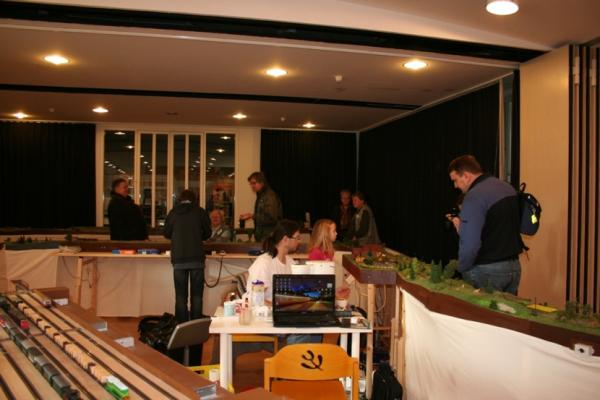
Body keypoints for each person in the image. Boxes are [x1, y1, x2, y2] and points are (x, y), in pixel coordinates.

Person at [447, 155, 522, 295]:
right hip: (513, 268)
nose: (455, 186)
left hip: (486, 271)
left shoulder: (474, 196)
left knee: (477, 310)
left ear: (466, 176)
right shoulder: (508, 188)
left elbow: (470, 244)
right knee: (505, 309)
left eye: (455, 180)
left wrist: (462, 267)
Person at [247, 220, 319, 345]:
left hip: (283, 315)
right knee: (302, 330)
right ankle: (291, 356)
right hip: (264, 318)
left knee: (317, 324)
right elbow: (256, 299)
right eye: (297, 238)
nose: (299, 241)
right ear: (285, 239)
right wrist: (283, 308)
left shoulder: (290, 262)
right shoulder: (264, 263)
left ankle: (308, 357)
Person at [163, 189, 211, 364]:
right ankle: (196, 330)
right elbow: (208, 233)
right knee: (197, 297)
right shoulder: (200, 212)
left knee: (180, 297)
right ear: (194, 199)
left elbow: (166, 233)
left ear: (180, 200)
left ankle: (181, 329)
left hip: (179, 260)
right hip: (197, 259)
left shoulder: (173, 212)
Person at [239, 171, 283, 242]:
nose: (252, 186)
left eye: (254, 183)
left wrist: (252, 216)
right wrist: (251, 215)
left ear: (262, 183)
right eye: (251, 184)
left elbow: (271, 217)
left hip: (269, 238)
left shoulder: (269, 196)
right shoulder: (261, 196)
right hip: (264, 237)